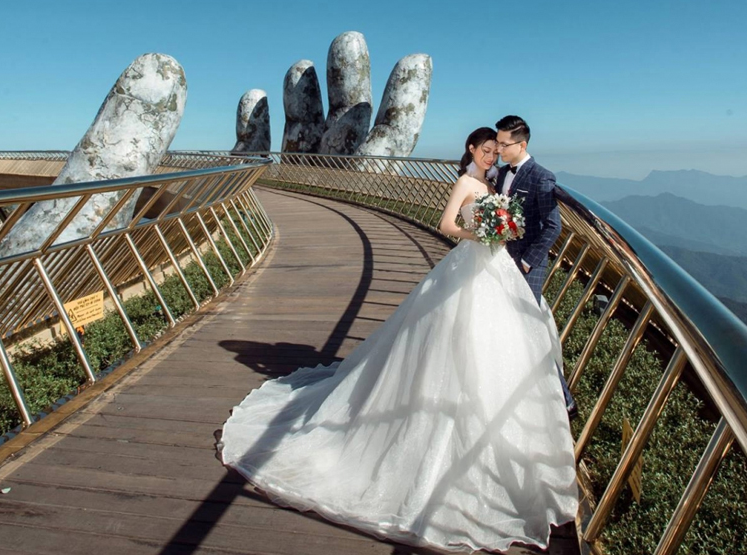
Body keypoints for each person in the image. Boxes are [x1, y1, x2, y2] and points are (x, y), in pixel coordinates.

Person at [219, 127, 579, 553]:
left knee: (500, 349)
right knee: (452, 345)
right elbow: (446, 224)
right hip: (469, 267)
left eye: (495, 150)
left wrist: (499, 234)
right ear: (472, 149)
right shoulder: (468, 181)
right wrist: (479, 235)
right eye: (486, 150)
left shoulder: (494, 181)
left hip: (497, 272)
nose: (491, 156)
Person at [493, 115, 578, 416]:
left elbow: (553, 226)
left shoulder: (542, 177)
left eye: (504, 144)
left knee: (531, 328)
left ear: (522, 144)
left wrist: (528, 260)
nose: (499, 149)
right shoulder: (502, 173)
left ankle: (565, 399)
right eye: (498, 142)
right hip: (501, 260)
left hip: (528, 264)